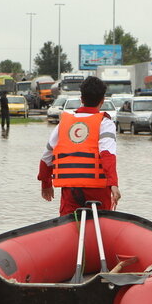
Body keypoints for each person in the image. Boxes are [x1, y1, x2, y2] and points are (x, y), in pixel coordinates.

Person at [38, 76, 121, 216]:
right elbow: (107, 154)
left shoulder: (64, 123)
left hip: (70, 189)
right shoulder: (105, 123)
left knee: (68, 228)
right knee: (100, 229)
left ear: (81, 99)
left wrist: (46, 183)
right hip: (97, 189)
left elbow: (47, 156)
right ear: (102, 100)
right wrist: (114, 184)